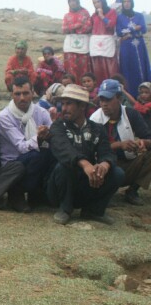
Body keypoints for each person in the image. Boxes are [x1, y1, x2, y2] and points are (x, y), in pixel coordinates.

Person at [47, 84, 123, 225]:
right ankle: (65, 208)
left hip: (87, 183)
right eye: (62, 104)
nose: (63, 108)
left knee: (117, 173)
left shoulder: (97, 129)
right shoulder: (58, 126)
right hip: (59, 187)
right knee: (63, 166)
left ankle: (93, 210)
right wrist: (85, 164)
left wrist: (104, 165)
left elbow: (107, 152)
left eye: (69, 104)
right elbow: (63, 149)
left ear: (82, 106)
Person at [90, 79, 151, 206]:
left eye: (108, 99)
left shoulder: (131, 114)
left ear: (119, 98)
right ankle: (105, 191)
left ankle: (132, 191)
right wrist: (119, 145)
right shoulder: (95, 119)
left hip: (128, 163)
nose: (104, 104)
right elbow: (91, 150)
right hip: (104, 166)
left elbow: (148, 137)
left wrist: (143, 142)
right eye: (101, 100)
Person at [0, 77, 54, 208]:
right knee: (36, 155)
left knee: (53, 153)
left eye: (26, 93)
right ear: (12, 95)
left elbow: (53, 136)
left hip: (35, 156)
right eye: (17, 94)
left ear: (33, 93)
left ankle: (38, 193)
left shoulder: (41, 112)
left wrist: (50, 133)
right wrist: (39, 137)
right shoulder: (4, 116)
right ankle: (16, 193)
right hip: (12, 163)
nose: (22, 98)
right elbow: (22, 147)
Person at [116, 0, 149, 99]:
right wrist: (135, 28)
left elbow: (143, 29)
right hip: (127, 48)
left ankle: (145, 95)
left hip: (139, 47)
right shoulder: (119, 18)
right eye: (124, 1)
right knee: (128, 69)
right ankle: (131, 97)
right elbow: (119, 32)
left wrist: (129, 32)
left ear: (132, 2)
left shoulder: (139, 15)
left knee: (142, 69)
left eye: (128, 1)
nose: (126, 3)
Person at [62, 0, 92, 84]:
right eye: (70, 1)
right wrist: (76, 26)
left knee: (83, 68)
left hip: (83, 47)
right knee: (71, 68)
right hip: (70, 48)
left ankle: (85, 88)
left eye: (74, 0)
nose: (72, 3)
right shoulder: (67, 16)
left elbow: (88, 27)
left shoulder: (85, 13)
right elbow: (64, 29)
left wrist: (73, 29)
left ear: (78, 1)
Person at [89, 0, 119, 83]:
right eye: (94, 3)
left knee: (111, 68)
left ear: (103, 1)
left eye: (98, 1)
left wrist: (102, 16)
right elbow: (90, 28)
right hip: (97, 46)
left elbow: (111, 25)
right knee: (98, 69)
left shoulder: (112, 12)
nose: (96, 4)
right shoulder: (94, 16)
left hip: (108, 45)